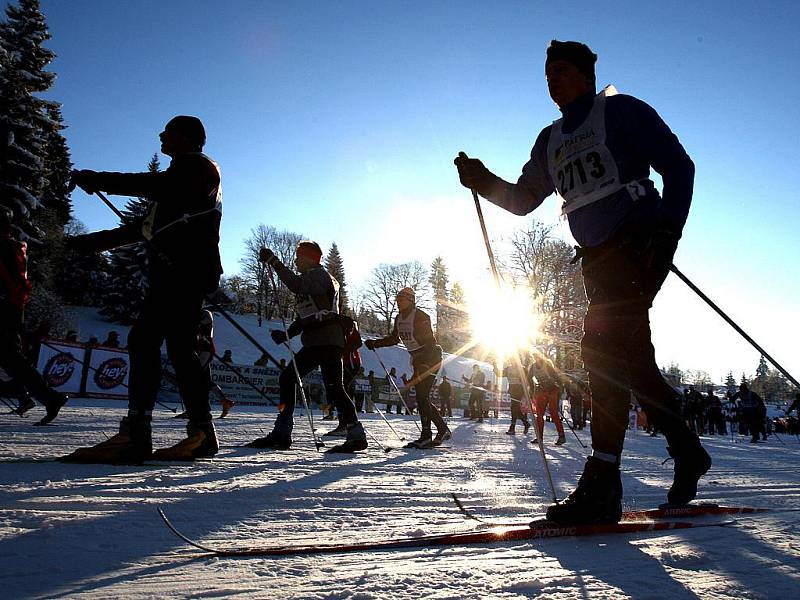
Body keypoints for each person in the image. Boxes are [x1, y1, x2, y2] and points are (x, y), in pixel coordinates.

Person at [455, 40, 709, 523]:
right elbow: (525, 199)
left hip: (638, 246)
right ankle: (687, 450)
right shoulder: (549, 140)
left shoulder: (621, 112)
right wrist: (482, 179)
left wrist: (668, 231)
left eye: (563, 71)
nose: (553, 80)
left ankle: (604, 480)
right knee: (633, 362)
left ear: (588, 75)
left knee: (600, 349)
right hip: (596, 259)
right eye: (548, 73)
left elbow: (679, 166)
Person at [62, 115, 222, 463]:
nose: (161, 135)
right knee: (179, 350)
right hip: (180, 274)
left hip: (183, 274)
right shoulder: (180, 181)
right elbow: (141, 229)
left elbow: (162, 187)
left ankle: (138, 433)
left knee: (145, 340)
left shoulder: (198, 168)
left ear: (187, 137)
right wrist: (87, 244)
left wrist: (98, 179)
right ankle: (200, 433)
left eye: (169, 131)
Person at [249, 241, 367, 452]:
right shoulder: (311, 278)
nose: (295, 261)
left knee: (306, 381)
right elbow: (307, 317)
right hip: (319, 341)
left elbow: (296, 285)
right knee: (323, 384)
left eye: (298, 256)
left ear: (310, 258)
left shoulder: (320, 276)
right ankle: (352, 432)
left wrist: (275, 262)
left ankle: (285, 432)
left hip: (326, 341)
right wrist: (286, 335)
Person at [0, 207, 68, 424]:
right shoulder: (10, 247)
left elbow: (17, 284)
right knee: (11, 360)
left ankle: (45, 397)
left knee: (11, 359)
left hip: (5, 309)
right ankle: (45, 398)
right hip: (10, 308)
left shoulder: (6, 248)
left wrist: (12, 308)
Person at [365, 287, 450, 448]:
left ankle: (427, 435)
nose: (398, 303)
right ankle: (442, 429)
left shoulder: (420, 316)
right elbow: (394, 339)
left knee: (421, 395)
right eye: (397, 300)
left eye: (401, 300)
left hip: (431, 358)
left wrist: (424, 363)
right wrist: (376, 343)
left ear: (410, 300)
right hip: (418, 359)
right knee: (421, 396)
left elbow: (430, 343)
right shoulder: (399, 318)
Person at [529, 354, 566, 445]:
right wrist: (532, 390)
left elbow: (556, 377)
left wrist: (559, 389)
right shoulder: (533, 367)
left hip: (552, 390)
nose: (536, 358)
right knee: (539, 415)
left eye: (537, 356)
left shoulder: (547, 365)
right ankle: (539, 437)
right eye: (534, 357)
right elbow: (529, 378)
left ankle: (561, 436)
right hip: (541, 391)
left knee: (554, 414)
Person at [495, 358, 530, 435]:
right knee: (515, 408)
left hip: (520, 389)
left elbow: (528, 380)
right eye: (512, 360)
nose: (513, 362)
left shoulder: (522, 369)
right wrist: (494, 366)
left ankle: (513, 427)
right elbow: (499, 374)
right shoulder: (508, 368)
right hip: (512, 389)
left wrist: (526, 389)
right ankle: (526, 423)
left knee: (514, 407)